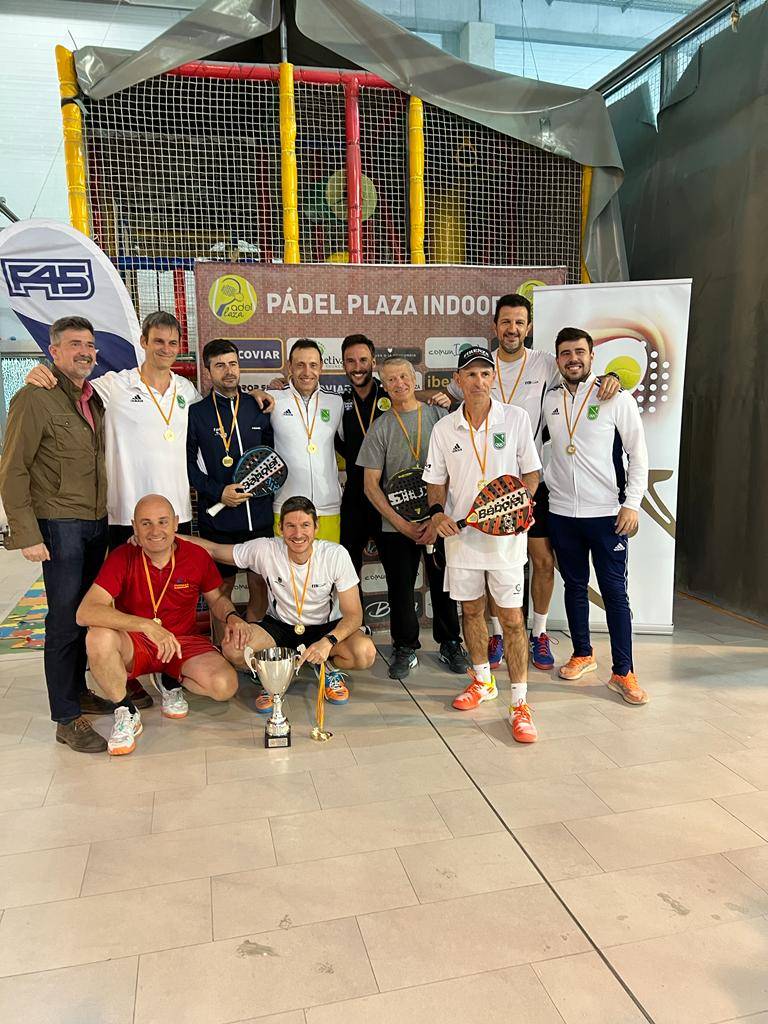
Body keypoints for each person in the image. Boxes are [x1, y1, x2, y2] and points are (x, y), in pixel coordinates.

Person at [25, 312, 273, 708]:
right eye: (158, 341)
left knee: (175, 599)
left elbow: (223, 405)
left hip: (176, 514)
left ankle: (171, 666)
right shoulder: (114, 385)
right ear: (143, 341)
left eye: (173, 343)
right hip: (126, 514)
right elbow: (72, 384)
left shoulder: (186, 390)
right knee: (123, 600)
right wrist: (42, 373)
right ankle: (128, 676)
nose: (166, 349)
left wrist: (259, 395)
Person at [448, 294, 619, 675]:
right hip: (487, 487)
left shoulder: (544, 362)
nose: (512, 329)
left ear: (529, 327)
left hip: (530, 479)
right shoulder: (479, 366)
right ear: (495, 326)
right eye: (505, 322)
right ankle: (497, 634)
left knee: (542, 560)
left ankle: (539, 633)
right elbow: (450, 394)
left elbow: (580, 375)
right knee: (491, 561)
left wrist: (612, 377)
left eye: (519, 322)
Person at [0, 316, 114, 752]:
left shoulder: (92, 397)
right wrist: (27, 533)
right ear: (54, 351)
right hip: (60, 524)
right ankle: (66, 718)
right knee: (64, 620)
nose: (84, 351)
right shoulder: (34, 397)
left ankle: (79, 692)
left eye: (89, 344)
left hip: (95, 521)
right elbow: (12, 469)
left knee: (86, 614)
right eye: (74, 344)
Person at [424, 346, 542, 743]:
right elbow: (435, 481)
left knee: (512, 620)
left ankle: (520, 703)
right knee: (472, 611)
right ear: (457, 380)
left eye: (485, 374)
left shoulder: (517, 418)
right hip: (462, 540)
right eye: (470, 374)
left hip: (507, 542)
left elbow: (531, 473)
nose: (478, 381)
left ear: (493, 378)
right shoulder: (444, 429)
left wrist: (518, 506)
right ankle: (482, 680)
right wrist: (437, 512)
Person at [76, 494, 247, 755]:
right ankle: (125, 710)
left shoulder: (196, 555)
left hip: (183, 642)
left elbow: (216, 599)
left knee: (225, 686)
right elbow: (85, 612)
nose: (155, 531)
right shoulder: (122, 556)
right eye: (146, 523)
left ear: (176, 523)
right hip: (136, 641)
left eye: (162, 522)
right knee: (97, 637)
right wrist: (146, 625)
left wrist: (232, 616)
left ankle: (169, 678)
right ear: (134, 526)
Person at [542, 328, 649, 705]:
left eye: (580, 352)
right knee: (574, 587)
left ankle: (624, 671)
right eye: (566, 353)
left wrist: (632, 503)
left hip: (607, 515)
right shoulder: (550, 399)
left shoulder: (616, 397)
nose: (573, 359)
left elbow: (638, 454)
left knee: (615, 593)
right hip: (562, 513)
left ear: (591, 357)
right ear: (558, 359)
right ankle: (583, 654)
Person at [190, 495, 376, 712]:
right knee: (233, 649)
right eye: (290, 526)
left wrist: (328, 642)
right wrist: (168, 536)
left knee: (365, 652)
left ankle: (327, 667)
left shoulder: (335, 555)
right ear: (280, 528)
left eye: (305, 525)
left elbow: (354, 615)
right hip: (280, 627)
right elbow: (214, 550)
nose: (298, 534)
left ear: (316, 527)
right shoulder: (266, 549)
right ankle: (272, 675)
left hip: (325, 629)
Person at [358, 357, 467, 679]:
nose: (399, 384)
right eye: (391, 379)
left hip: (440, 519)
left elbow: (456, 470)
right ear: (384, 386)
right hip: (396, 526)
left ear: (414, 378)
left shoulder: (439, 417)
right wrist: (403, 525)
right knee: (401, 589)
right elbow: (370, 485)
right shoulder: (381, 427)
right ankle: (405, 646)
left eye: (404, 376)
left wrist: (436, 518)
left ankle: (450, 642)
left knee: (444, 586)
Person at [187, 339, 273, 624]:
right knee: (221, 589)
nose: (229, 371)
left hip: (258, 516)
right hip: (219, 520)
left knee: (259, 584)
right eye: (220, 365)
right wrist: (218, 492)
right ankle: (223, 646)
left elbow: (270, 456)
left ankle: (255, 642)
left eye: (233, 364)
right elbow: (189, 467)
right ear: (208, 370)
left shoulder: (257, 406)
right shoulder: (197, 413)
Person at [268, 340, 344, 542]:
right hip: (286, 506)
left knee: (327, 563)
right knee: (287, 563)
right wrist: (255, 392)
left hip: (327, 507)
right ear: (289, 367)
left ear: (321, 367)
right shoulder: (273, 399)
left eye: (313, 365)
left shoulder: (335, 402)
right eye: (300, 365)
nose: (307, 372)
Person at [336, 334, 388, 579]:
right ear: (343, 365)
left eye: (363, 360)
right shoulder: (338, 403)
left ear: (373, 362)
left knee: (397, 573)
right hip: (354, 498)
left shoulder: (392, 395)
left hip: (389, 499)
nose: (357, 367)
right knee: (348, 574)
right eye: (351, 361)